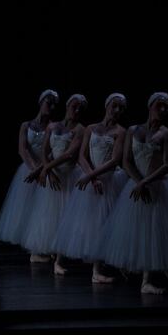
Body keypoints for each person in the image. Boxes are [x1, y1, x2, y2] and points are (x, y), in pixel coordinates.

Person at [99, 92, 168, 294]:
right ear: (150, 105)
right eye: (159, 105)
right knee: (138, 230)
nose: (163, 110)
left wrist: (145, 182)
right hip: (138, 185)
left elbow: (167, 166)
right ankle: (139, 274)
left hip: (159, 185)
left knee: (157, 231)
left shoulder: (167, 134)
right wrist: (139, 182)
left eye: (166, 107)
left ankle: (155, 276)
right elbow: (126, 160)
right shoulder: (133, 130)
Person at [50, 93, 129, 283]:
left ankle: (97, 271)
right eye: (114, 106)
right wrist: (91, 177)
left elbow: (115, 161)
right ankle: (59, 261)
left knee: (102, 223)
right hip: (90, 178)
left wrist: (93, 177)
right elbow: (81, 156)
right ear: (107, 105)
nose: (117, 111)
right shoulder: (91, 128)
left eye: (121, 108)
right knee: (76, 220)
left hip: (108, 181)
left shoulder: (121, 132)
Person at [23, 93, 88, 273]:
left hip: (68, 175)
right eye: (74, 106)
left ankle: (59, 261)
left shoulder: (81, 129)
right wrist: (49, 171)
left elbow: (70, 154)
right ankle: (46, 251)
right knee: (48, 215)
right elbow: (45, 151)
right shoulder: (52, 126)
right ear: (67, 106)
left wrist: (46, 168)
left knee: (65, 217)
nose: (76, 111)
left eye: (80, 109)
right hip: (54, 175)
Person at [0, 89, 59, 249]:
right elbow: (22, 149)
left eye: (53, 104)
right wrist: (33, 169)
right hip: (29, 168)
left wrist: (40, 170)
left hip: (45, 169)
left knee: (43, 210)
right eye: (47, 102)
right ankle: (30, 247)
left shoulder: (54, 127)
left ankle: (41, 245)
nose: (50, 106)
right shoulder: (26, 125)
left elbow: (53, 152)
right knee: (26, 208)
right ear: (41, 102)